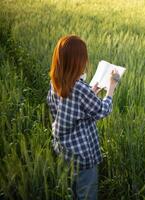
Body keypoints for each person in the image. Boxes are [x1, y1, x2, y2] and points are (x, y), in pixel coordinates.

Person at [46, 35, 119, 200]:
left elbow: (66, 107)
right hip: (83, 155)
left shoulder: (55, 80)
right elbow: (103, 110)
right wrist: (111, 87)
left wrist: (91, 93)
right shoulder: (79, 88)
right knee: (86, 195)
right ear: (77, 62)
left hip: (64, 151)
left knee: (72, 192)